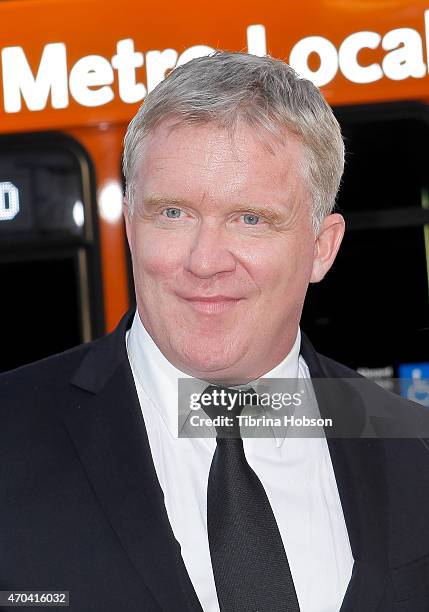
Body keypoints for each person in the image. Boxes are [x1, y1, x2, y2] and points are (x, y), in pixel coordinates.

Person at [1, 51, 429, 612]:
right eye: (173, 213)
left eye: (250, 219)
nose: (205, 261)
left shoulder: (412, 444)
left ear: (322, 247)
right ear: (131, 224)